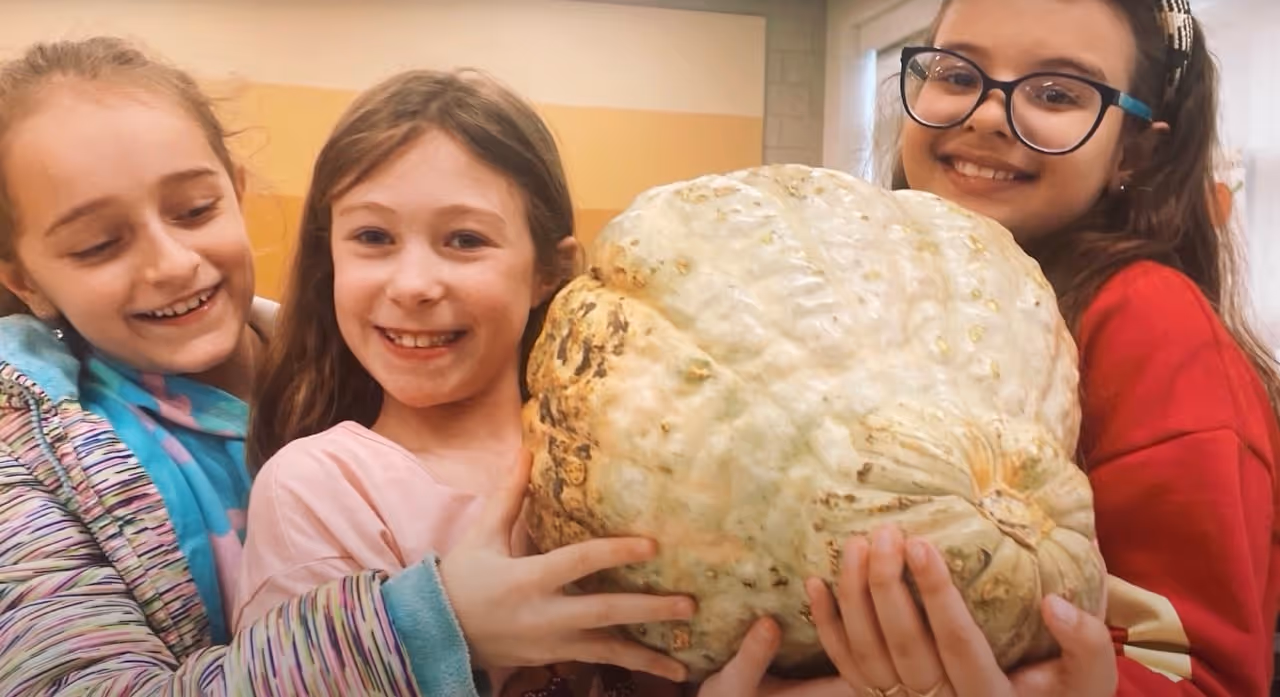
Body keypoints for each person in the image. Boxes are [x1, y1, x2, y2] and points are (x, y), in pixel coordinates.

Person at [0, 37, 689, 696]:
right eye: (97, 244)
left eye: (195, 208)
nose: (172, 262)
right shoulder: (307, 479)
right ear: (24, 279)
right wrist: (433, 626)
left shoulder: (327, 372)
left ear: (235, 191)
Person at [771, 0, 1280, 695]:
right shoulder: (869, 284)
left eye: (1055, 93)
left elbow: (1200, 675)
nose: (983, 112)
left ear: (1134, 150)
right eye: (956, 74)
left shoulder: (1149, 323)